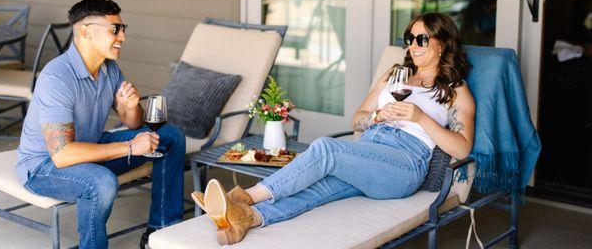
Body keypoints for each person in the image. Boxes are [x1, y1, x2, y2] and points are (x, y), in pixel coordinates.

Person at [191, 12, 475, 245]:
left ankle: (243, 196)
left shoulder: (455, 90)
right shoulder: (395, 75)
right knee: (316, 189)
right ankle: (243, 220)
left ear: (443, 42)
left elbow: (462, 148)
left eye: (421, 39)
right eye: (409, 39)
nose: (413, 46)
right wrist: (377, 116)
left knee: (326, 147)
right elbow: (357, 119)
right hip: (368, 151)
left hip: (404, 165)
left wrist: (421, 117)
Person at [15, 0, 185, 249]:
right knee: (101, 181)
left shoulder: (110, 69)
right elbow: (62, 155)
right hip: (44, 165)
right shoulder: (57, 77)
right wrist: (129, 148)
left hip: (90, 147)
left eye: (123, 28)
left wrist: (130, 107)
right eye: (115, 29)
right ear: (86, 31)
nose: (123, 36)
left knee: (170, 136)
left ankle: (160, 229)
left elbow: (134, 123)